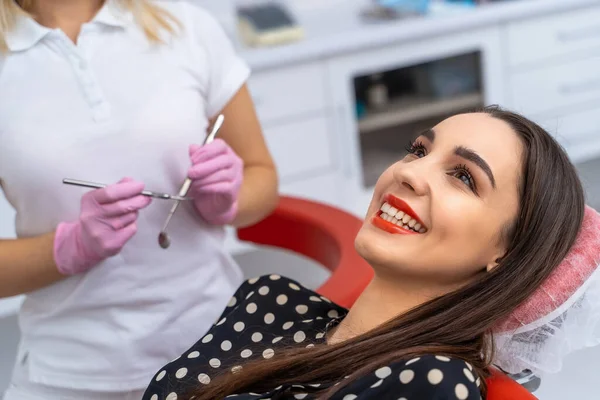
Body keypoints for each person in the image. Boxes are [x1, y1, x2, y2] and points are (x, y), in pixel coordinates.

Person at [142, 106, 600, 400]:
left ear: (506, 252)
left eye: (463, 177)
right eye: (418, 151)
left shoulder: (430, 383)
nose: (410, 174)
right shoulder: (269, 299)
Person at [0, 0, 278, 399]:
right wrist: (66, 250)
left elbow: (262, 178)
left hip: (220, 352)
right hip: (68, 375)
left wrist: (228, 201)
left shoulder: (185, 25)